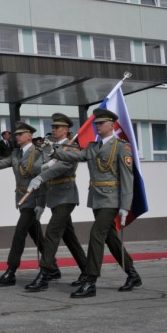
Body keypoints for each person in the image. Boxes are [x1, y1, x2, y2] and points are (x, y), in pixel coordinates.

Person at [51, 108, 142, 298]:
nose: (97, 126)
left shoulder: (121, 147)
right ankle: (132, 274)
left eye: (101, 123)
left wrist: (125, 206)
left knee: (96, 235)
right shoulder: (93, 147)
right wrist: (56, 150)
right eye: (96, 123)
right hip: (96, 198)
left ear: (112, 125)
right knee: (110, 238)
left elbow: (128, 177)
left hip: (111, 199)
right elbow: (76, 155)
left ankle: (90, 280)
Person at [0, 121, 56, 286]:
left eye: (20, 134)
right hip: (22, 199)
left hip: (33, 198)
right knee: (36, 235)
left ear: (29, 136)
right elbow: (2, 163)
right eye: (16, 134)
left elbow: (44, 179)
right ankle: (52, 267)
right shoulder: (16, 153)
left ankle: (11, 271)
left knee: (19, 233)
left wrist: (41, 203)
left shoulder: (38, 153)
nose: (16, 137)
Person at [23, 113, 88, 291]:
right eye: (52, 127)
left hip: (66, 195)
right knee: (69, 237)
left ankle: (45, 273)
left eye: (57, 127)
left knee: (52, 232)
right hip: (53, 196)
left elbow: (63, 167)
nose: (53, 129)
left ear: (66, 130)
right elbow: (35, 167)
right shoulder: (50, 146)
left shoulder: (72, 147)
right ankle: (87, 271)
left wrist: (44, 172)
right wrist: (45, 162)